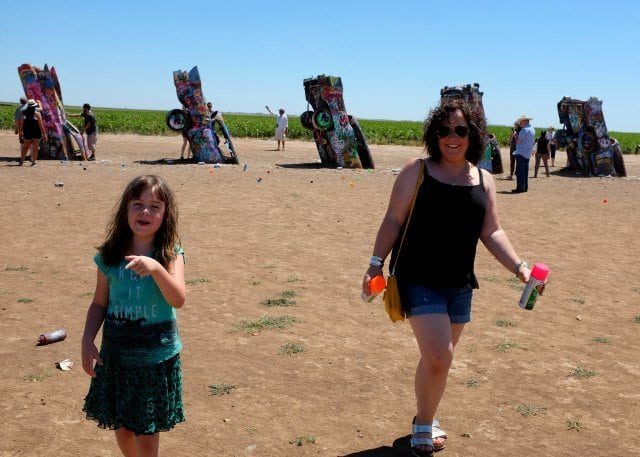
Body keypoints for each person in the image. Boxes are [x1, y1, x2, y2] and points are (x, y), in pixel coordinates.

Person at [362, 99, 532, 457]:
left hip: (459, 283)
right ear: (434, 134)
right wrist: (375, 264)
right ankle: (424, 425)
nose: (451, 137)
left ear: (473, 135)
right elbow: (393, 219)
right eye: (444, 130)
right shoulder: (416, 170)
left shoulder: (483, 179)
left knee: (437, 359)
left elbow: (492, 232)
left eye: (460, 130)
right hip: (416, 277)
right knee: (440, 355)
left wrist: (519, 267)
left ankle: (425, 417)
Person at [81, 175, 186, 457]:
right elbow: (99, 304)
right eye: (137, 204)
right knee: (123, 428)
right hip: (116, 357)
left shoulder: (169, 254)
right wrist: (87, 341)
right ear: (125, 210)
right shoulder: (110, 256)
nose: (145, 212)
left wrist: (155, 268)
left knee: (147, 431)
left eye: (155, 206)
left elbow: (178, 299)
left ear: (166, 214)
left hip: (155, 358)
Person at [17, 99, 47, 166]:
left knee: (25, 147)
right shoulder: (37, 113)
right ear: (34, 106)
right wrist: (45, 134)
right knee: (35, 147)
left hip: (27, 131)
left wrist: (20, 133)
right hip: (36, 131)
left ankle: (21, 161)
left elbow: (21, 124)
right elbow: (41, 125)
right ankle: (33, 162)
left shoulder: (23, 113)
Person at [512, 115, 535, 193]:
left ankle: (520, 188)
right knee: (525, 171)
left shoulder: (524, 130)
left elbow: (518, 141)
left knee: (520, 171)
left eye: (521, 121)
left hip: (521, 152)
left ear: (525, 121)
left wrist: (515, 136)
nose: (520, 123)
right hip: (527, 153)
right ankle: (525, 187)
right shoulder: (532, 129)